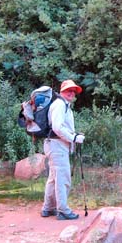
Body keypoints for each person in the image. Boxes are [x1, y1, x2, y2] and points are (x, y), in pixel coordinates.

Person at [41, 79, 85, 220]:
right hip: (57, 145)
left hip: (54, 144)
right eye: (68, 90)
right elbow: (57, 127)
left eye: (73, 91)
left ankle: (48, 208)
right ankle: (63, 210)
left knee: (54, 178)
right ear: (62, 91)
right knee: (62, 178)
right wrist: (73, 138)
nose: (71, 93)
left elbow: (61, 127)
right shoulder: (60, 105)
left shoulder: (63, 105)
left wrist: (74, 136)